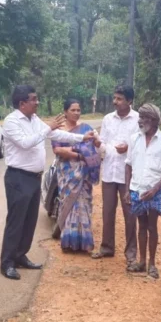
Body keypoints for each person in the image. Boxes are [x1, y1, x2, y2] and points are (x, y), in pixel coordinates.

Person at [0, 85, 95, 280]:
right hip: (18, 177)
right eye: (34, 99)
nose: (37, 102)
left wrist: (81, 137)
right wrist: (48, 128)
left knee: (29, 221)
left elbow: (57, 135)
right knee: (16, 222)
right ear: (22, 103)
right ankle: (7, 262)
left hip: (34, 177)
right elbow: (26, 142)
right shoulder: (11, 122)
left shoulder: (34, 120)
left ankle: (20, 255)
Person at [123, 103, 161, 279]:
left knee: (152, 227)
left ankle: (152, 264)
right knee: (141, 225)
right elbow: (128, 165)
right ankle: (142, 262)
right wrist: (127, 189)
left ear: (153, 120)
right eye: (140, 117)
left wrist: (155, 189)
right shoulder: (134, 139)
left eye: (143, 118)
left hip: (154, 191)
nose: (140, 121)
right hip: (137, 189)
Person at [91, 86, 139, 264]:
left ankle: (131, 253)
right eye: (114, 98)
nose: (115, 102)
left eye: (119, 99)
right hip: (109, 171)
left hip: (128, 175)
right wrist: (97, 144)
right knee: (108, 212)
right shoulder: (107, 119)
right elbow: (103, 142)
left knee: (130, 214)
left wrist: (128, 148)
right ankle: (107, 247)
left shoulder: (138, 120)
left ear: (129, 101)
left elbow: (142, 144)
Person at [51, 98, 101, 252]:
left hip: (83, 173)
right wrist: (78, 153)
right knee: (68, 202)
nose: (76, 113)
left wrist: (97, 142)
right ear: (65, 112)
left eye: (78, 110)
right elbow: (57, 150)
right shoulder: (59, 130)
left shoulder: (86, 128)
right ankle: (68, 241)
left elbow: (95, 145)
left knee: (83, 203)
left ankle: (83, 241)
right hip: (67, 172)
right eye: (73, 110)